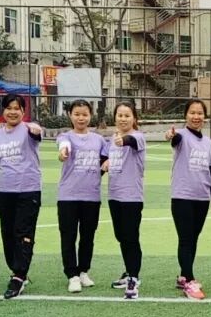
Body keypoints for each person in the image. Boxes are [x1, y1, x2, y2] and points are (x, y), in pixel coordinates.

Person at [0, 93, 43, 299]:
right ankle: (17, 270)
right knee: (8, 233)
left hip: (28, 190)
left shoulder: (29, 129)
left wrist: (36, 130)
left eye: (17, 108)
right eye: (9, 108)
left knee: (23, 232)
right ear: (3, 111)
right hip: (5, 191)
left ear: (23, 111)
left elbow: (37, 133)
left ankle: (19, 275)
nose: (12, 112)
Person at [165, 99, 211, 300]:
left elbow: (210, 170)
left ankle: (183, 275)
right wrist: (171, 135)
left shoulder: (208, 143)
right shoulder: (181, 135)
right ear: (186, 115)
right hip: (182, 196)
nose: (196, 117)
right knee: (186, 239)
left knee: (193, 238)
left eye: (200, 113)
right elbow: (174, 139)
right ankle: (189, 280)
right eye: (192, 113)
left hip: (201, 197)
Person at [57, 99, 108, 293]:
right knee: (68, 237)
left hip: (91, 196)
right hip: (68, 196)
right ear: (70, 115)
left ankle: (83, 271)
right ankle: (72, 275)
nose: (81, 118)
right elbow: (63, 147)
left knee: (88, 236)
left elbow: (106, 159)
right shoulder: (65, 136)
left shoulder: (99, 140)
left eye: (84, 114)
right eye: (77, 114)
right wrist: (63, 152)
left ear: (90, 116)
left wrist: (105, 165)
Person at [105, 102, 147, 300]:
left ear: (134, 118)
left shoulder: (138, 137)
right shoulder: (111, 140)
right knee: (121, 236)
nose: (123, 119)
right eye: (120, 115)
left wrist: (123, 140)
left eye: (127, 115)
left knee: (130, 237)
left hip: (131, 197)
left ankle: (134, 277)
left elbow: (130, 141)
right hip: (114, 195)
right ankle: (129, 271)